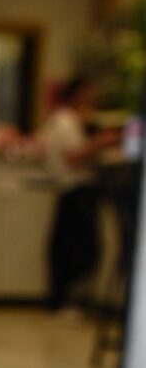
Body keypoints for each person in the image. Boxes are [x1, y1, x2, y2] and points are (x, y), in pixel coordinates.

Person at [41, 77, 119, 312]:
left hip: (76, 190)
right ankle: (66, 300)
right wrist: (101, 143)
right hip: (75, 188)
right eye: (88, 93)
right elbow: (73, 157)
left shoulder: (72, 120)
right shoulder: (66, 121)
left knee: (73, 247)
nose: (92, 98)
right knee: (77, 248)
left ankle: (68, 299)